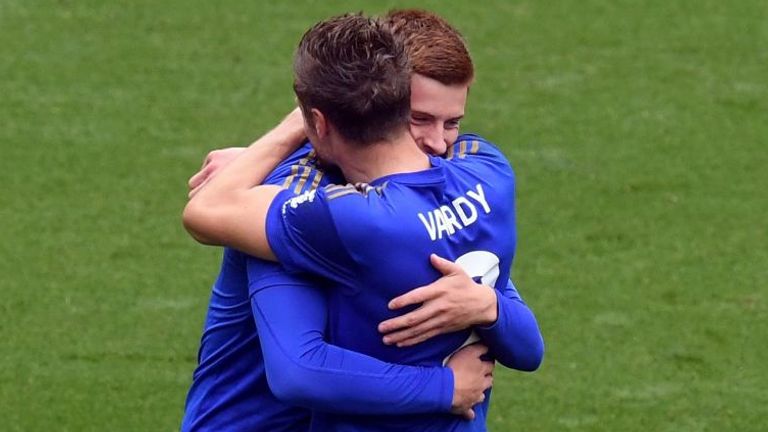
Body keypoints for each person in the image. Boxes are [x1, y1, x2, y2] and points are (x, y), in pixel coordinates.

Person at [183, 13, 537, 431]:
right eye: (418, 119)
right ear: (379, 103)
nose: (439, 144)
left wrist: (487, 305)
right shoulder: (302, 202)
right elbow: (299, 370)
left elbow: (528, 345)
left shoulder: (454, 178)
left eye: (453, 122)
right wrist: (446, 387)